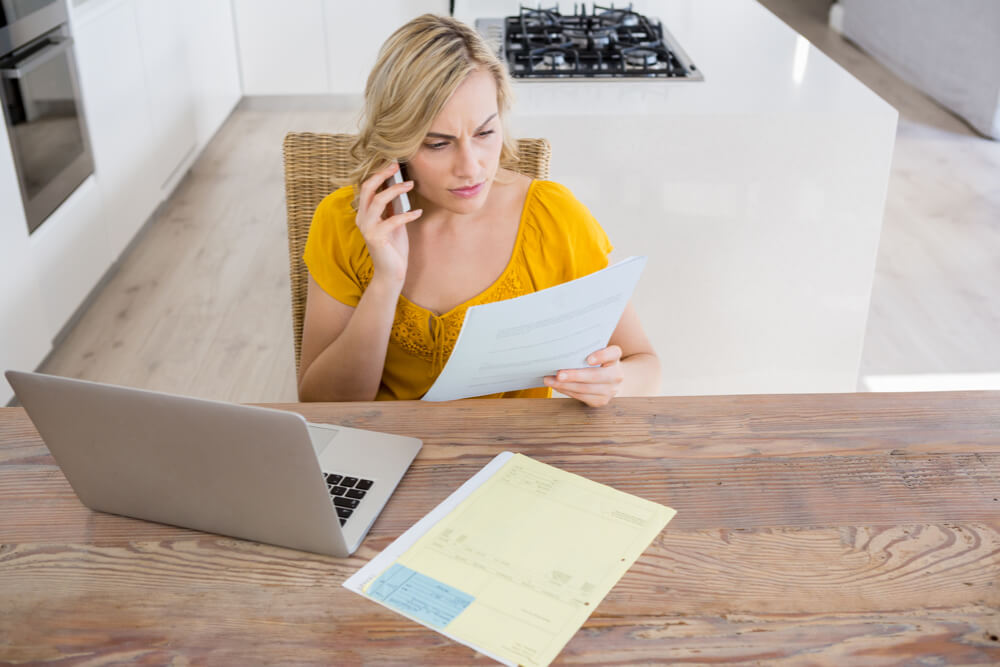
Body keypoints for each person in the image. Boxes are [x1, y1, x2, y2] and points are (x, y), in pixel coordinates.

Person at [298, 14, 660, 407]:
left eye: (485, 133)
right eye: (438, 144)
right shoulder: (343, 222)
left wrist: (614, 384)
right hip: (385, 454)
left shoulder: (554, 218)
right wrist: (386, 280)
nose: (471, 167)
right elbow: (321, 403)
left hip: (518, 459)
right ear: (398, 143)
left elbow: (645, 363)